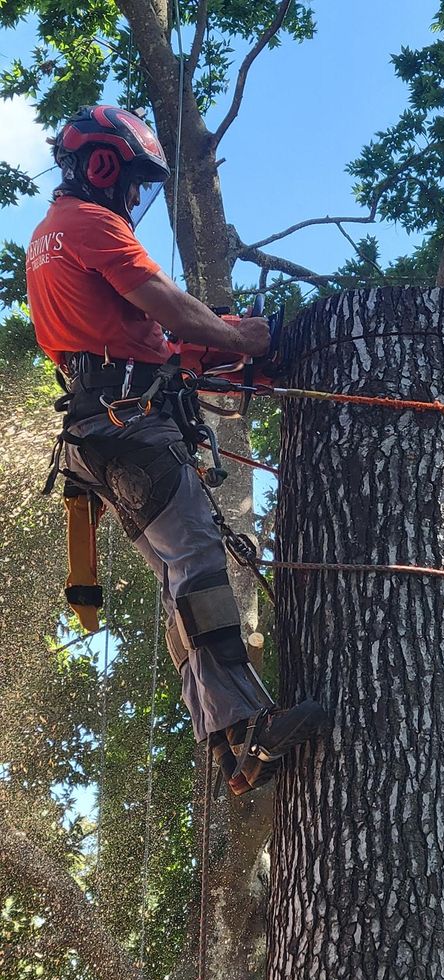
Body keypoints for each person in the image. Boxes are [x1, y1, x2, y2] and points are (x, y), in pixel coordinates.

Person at [26, 104, 326, 796]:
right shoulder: (90, 224)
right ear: (103, 166)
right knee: (195, 564)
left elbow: (141, 338)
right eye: (133, 181)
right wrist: (247, 338)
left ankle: (233, 747)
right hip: (130, 430)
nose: (135, 197)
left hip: (102, 431)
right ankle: (247, 727)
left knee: (178, 579)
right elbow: (164, 303)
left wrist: (200, 349)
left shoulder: (48, 235)